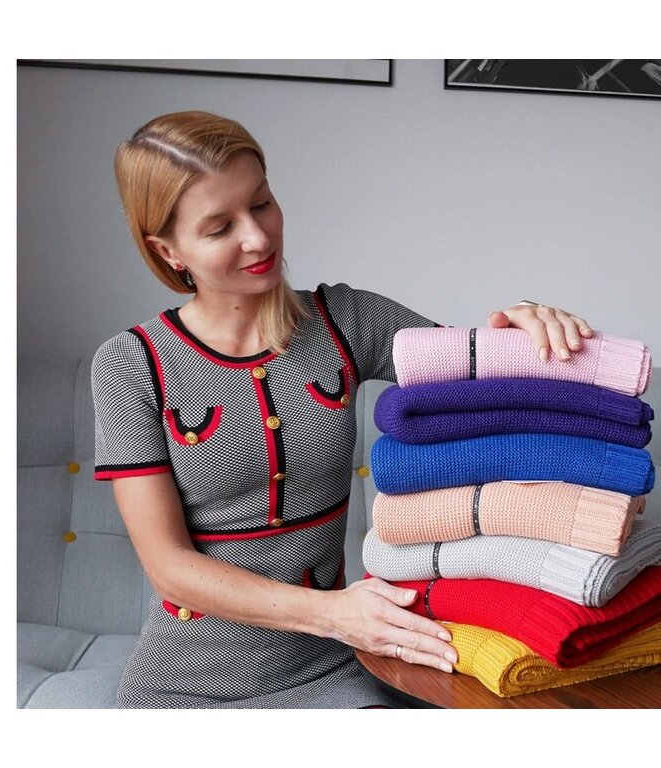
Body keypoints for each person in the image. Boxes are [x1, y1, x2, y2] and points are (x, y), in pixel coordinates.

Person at [92, 110, 595, 708]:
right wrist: (336, 614)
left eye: (262, 203)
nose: (258, 238)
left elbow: (491, 367)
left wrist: (531, 316)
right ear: (168, 250)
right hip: (179, 686)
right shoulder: (130, 364)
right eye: (220, 227)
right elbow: (169, 566)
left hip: (329, 673)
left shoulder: (347, 321)